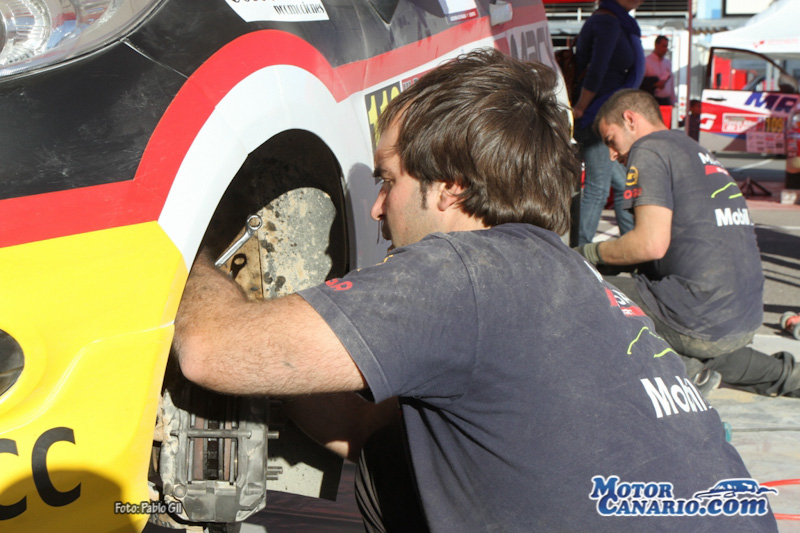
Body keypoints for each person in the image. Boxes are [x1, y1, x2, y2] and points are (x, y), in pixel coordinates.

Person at [174, 51, 777, 532]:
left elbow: (208, 348)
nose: (378, 208)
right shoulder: (573, 283)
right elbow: (361, 429)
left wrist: (184, 243)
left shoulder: (466, 270)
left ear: (452, 187)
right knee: (398, 455)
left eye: (388, 180)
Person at [580, 88, 800, 398]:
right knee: (704, 343)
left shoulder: (649, 148)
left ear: (630, 119)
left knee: (584, 289)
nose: (612, 155)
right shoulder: (694, 149)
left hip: (698, 315)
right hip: (741, 316)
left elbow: (649, 244)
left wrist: (585, 254)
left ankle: (685, 371)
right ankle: (788, 377)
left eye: (611, 140)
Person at [572, 0, 645, 246]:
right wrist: (581, 107)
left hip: (606, 112)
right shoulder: (607, 22)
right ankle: (579, 252)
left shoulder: (617, 21)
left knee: (623, 184)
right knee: (598, 188)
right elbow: (597, 69)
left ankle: (632, 244)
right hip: (596, 115)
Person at [642, 35, 675, 106]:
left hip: (666, 101)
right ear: (656, 45)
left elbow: (671, 83)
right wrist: (654, 84)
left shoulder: (667, 63)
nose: (665, 49)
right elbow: (642, 82)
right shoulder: (646, 61)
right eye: (663, 46)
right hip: (652, 100)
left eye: (666, 46)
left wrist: (673, 101)